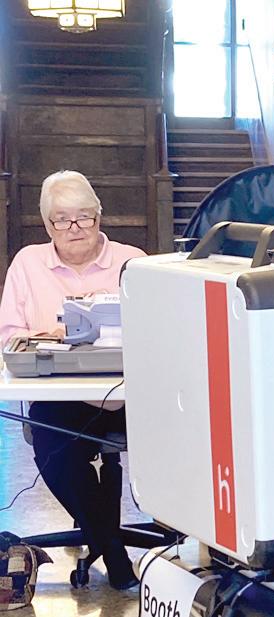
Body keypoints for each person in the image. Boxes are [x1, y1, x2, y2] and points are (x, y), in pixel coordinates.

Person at [0, 170, 146, 590]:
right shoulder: (28, 264)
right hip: (60, 395)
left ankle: (109, 538)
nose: (75, 227)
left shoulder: (133, 261)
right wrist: (56, 337)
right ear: (48, 225)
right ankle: (112, 548)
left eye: (84, 216)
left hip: (130, 396)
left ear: (99, 216)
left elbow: (161, 328)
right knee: (54, 448)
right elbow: (10, 336)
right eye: (62, 219)